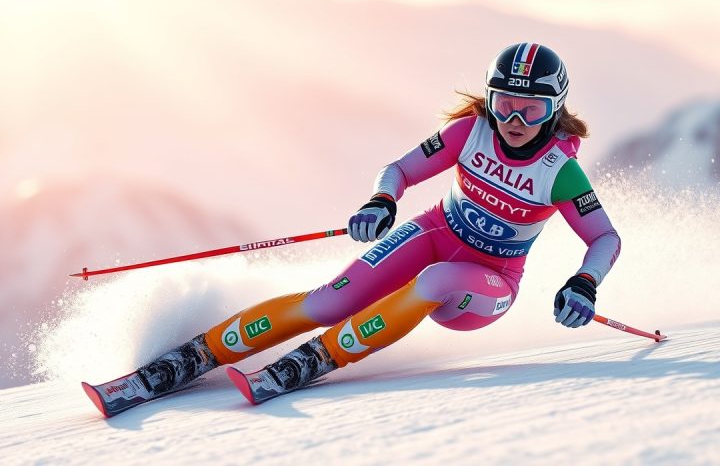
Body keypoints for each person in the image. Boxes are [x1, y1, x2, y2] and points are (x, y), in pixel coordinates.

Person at [83, 43, 621, 415]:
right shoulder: (468, 132)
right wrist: (382, 200)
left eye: (532, 110)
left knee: (435, 280)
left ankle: (323, 355)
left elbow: (605, 238)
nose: (515, 121)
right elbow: (399, 170)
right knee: (329, 301)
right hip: (434, 233)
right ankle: (199, 353)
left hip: (489, 284)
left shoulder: (560, 171)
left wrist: (584, 282)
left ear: (555, 110)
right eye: (505, 104)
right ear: (491, 98)